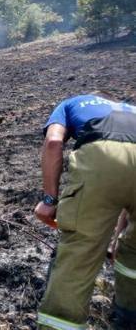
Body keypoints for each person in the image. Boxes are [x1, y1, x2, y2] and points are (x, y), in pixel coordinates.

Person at [35, 94, 136, 330]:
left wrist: (49, 200)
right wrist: (117, 237)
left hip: (102, 154)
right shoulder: (130, 110)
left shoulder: (69, 104)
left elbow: (53, 142)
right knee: (134, 252)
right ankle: (128, 317)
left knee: (80, 253)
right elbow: (128, 191)